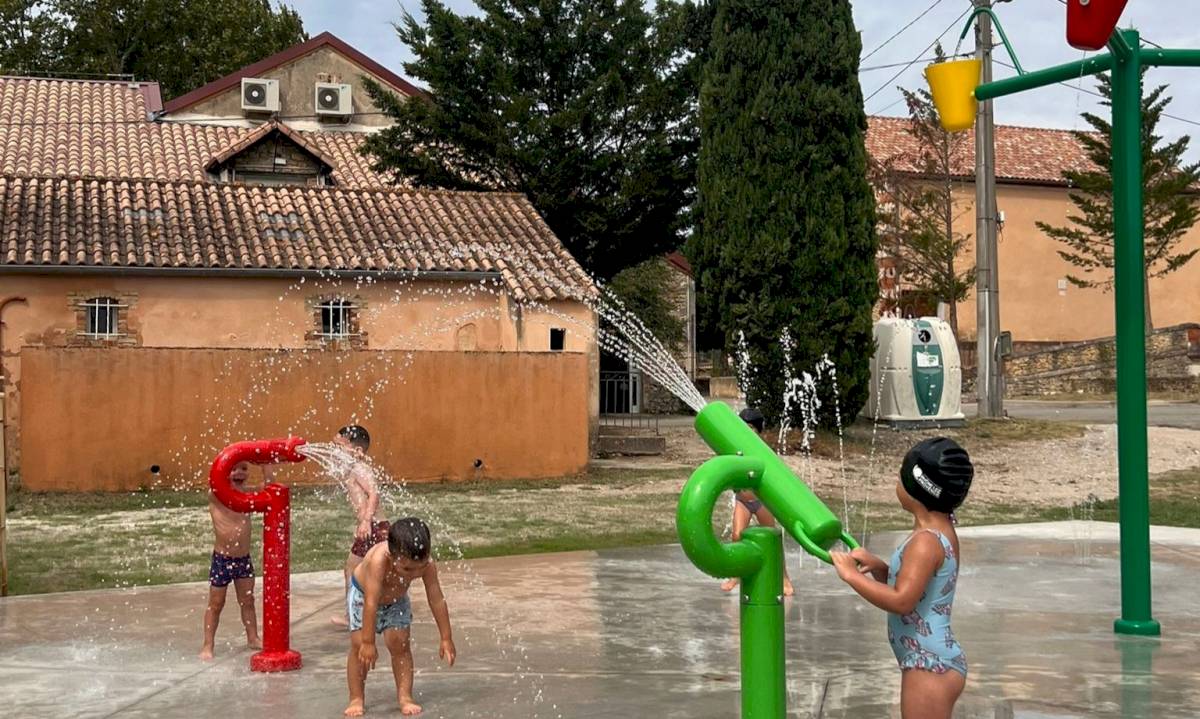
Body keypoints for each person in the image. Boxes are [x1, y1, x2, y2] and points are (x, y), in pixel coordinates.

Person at [830, 437, 974, 719]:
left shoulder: (925, 542)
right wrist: (880, 568)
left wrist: (851, 577)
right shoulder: (938, 531)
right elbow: (922, 589)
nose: (895, 479)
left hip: (928, 666)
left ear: (918, 488)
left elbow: (902, 601)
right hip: (932, 659)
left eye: (900, 474)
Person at [344, 517, 455, 717]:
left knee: (400, 644)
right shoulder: (379, 561)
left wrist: (446, 637)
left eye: (419, 566)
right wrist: (369, 642)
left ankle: (405, 696)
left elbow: (436, 599)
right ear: (391, 554)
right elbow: (370, 601)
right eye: (407, 569)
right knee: (359, 646)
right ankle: (356, 697)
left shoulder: (426, 565)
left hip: (396, 599)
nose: (415, 573)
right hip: (363, 596)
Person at [721, 407, 794, 597]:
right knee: (737, 536)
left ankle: (784, 576)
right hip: (743, 500)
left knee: (773, 540)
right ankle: (736, 574)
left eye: (751, 429)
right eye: (744, 428)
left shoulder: (764, 451)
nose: (747, 432)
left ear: (759, 430)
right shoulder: (736, 449)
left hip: (763, 502)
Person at [200, 461, 264, 660]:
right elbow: (214, 482)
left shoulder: (247, 494)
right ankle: (208, 644)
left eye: (244, 468)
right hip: (222, 559)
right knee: (216, 603)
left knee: (247, 600)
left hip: (243, 559)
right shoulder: (216, 493)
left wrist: (266, 467)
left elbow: (269, 489)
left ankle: (253, 637)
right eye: (232, 469)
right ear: (223, 473)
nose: (239, 473)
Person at [331, 424, 390, 627]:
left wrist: (365, 520)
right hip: (374, 526)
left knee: (355, 569)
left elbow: (373, 493)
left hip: (373, 526)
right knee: (362, 570)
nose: (335, 452)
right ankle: (367, 613)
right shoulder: (353, 470)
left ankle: (355, 617)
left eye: (339, 447)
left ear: (356, 451)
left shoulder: (359, 469)